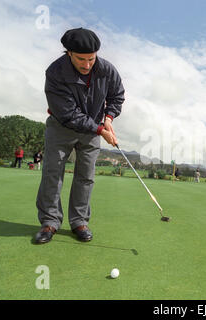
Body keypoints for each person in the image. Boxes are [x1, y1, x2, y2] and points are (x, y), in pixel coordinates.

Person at [34, 27, 125, 244]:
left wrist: (109, 118)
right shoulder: (55, 73)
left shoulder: (107, 70)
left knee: (86, 176)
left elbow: (117, 96)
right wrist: (100, 130)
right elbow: (68, 114)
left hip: (93, 129)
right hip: (61, 127)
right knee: (52, 173)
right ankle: (50, 222)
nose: (86, 65)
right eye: (81, 59)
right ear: (68, 53)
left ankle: (79, 222)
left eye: (91, 59)